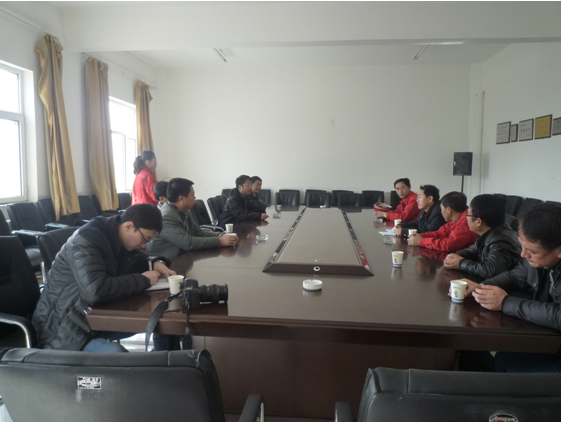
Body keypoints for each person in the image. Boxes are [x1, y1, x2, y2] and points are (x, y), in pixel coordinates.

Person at [32, 204, 175, 352]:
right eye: (145, 239)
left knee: (165, 323)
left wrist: (154, 263)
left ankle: (167, 362)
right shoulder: (87, 241)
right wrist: (142, 280)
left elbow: (136, 259)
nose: (144, 245)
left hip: (95, 317)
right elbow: (95, 290)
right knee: (119, 355)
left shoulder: (116, 236)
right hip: (65, 329)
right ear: (128, 226)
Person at [458, 202, 561, 372]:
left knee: (511, 369)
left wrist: (505, 302)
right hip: (550, 337)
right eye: (522, 246)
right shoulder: (538, 258)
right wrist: (481, 287)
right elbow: (515, 276)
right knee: (500, 357)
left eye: (532, 251)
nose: (523, 254)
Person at [147, 178, 238, 260]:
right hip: (164, 262)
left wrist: (221, 235)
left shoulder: (184, 210)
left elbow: (197, 231)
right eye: (192, 194)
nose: (194, 197)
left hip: (182, 258)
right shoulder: (166, 216)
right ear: (181, 198)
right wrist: (220, 241)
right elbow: (188, 243)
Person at [444, 194, 521, 278]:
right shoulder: (490, 231)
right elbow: (474, 249)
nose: (466, 218)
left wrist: (461, 263)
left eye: (468, 214)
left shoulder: (501, 240)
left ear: (478, 221)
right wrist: (456, 256)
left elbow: (491, 270)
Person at [408, 191, 478, 253]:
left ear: (449, 210)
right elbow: (439, 233)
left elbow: (449, 245)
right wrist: (420, 236)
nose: (441, 212)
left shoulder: (466, 222)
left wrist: (421, 241)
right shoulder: (456, 218)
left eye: (441, 209)